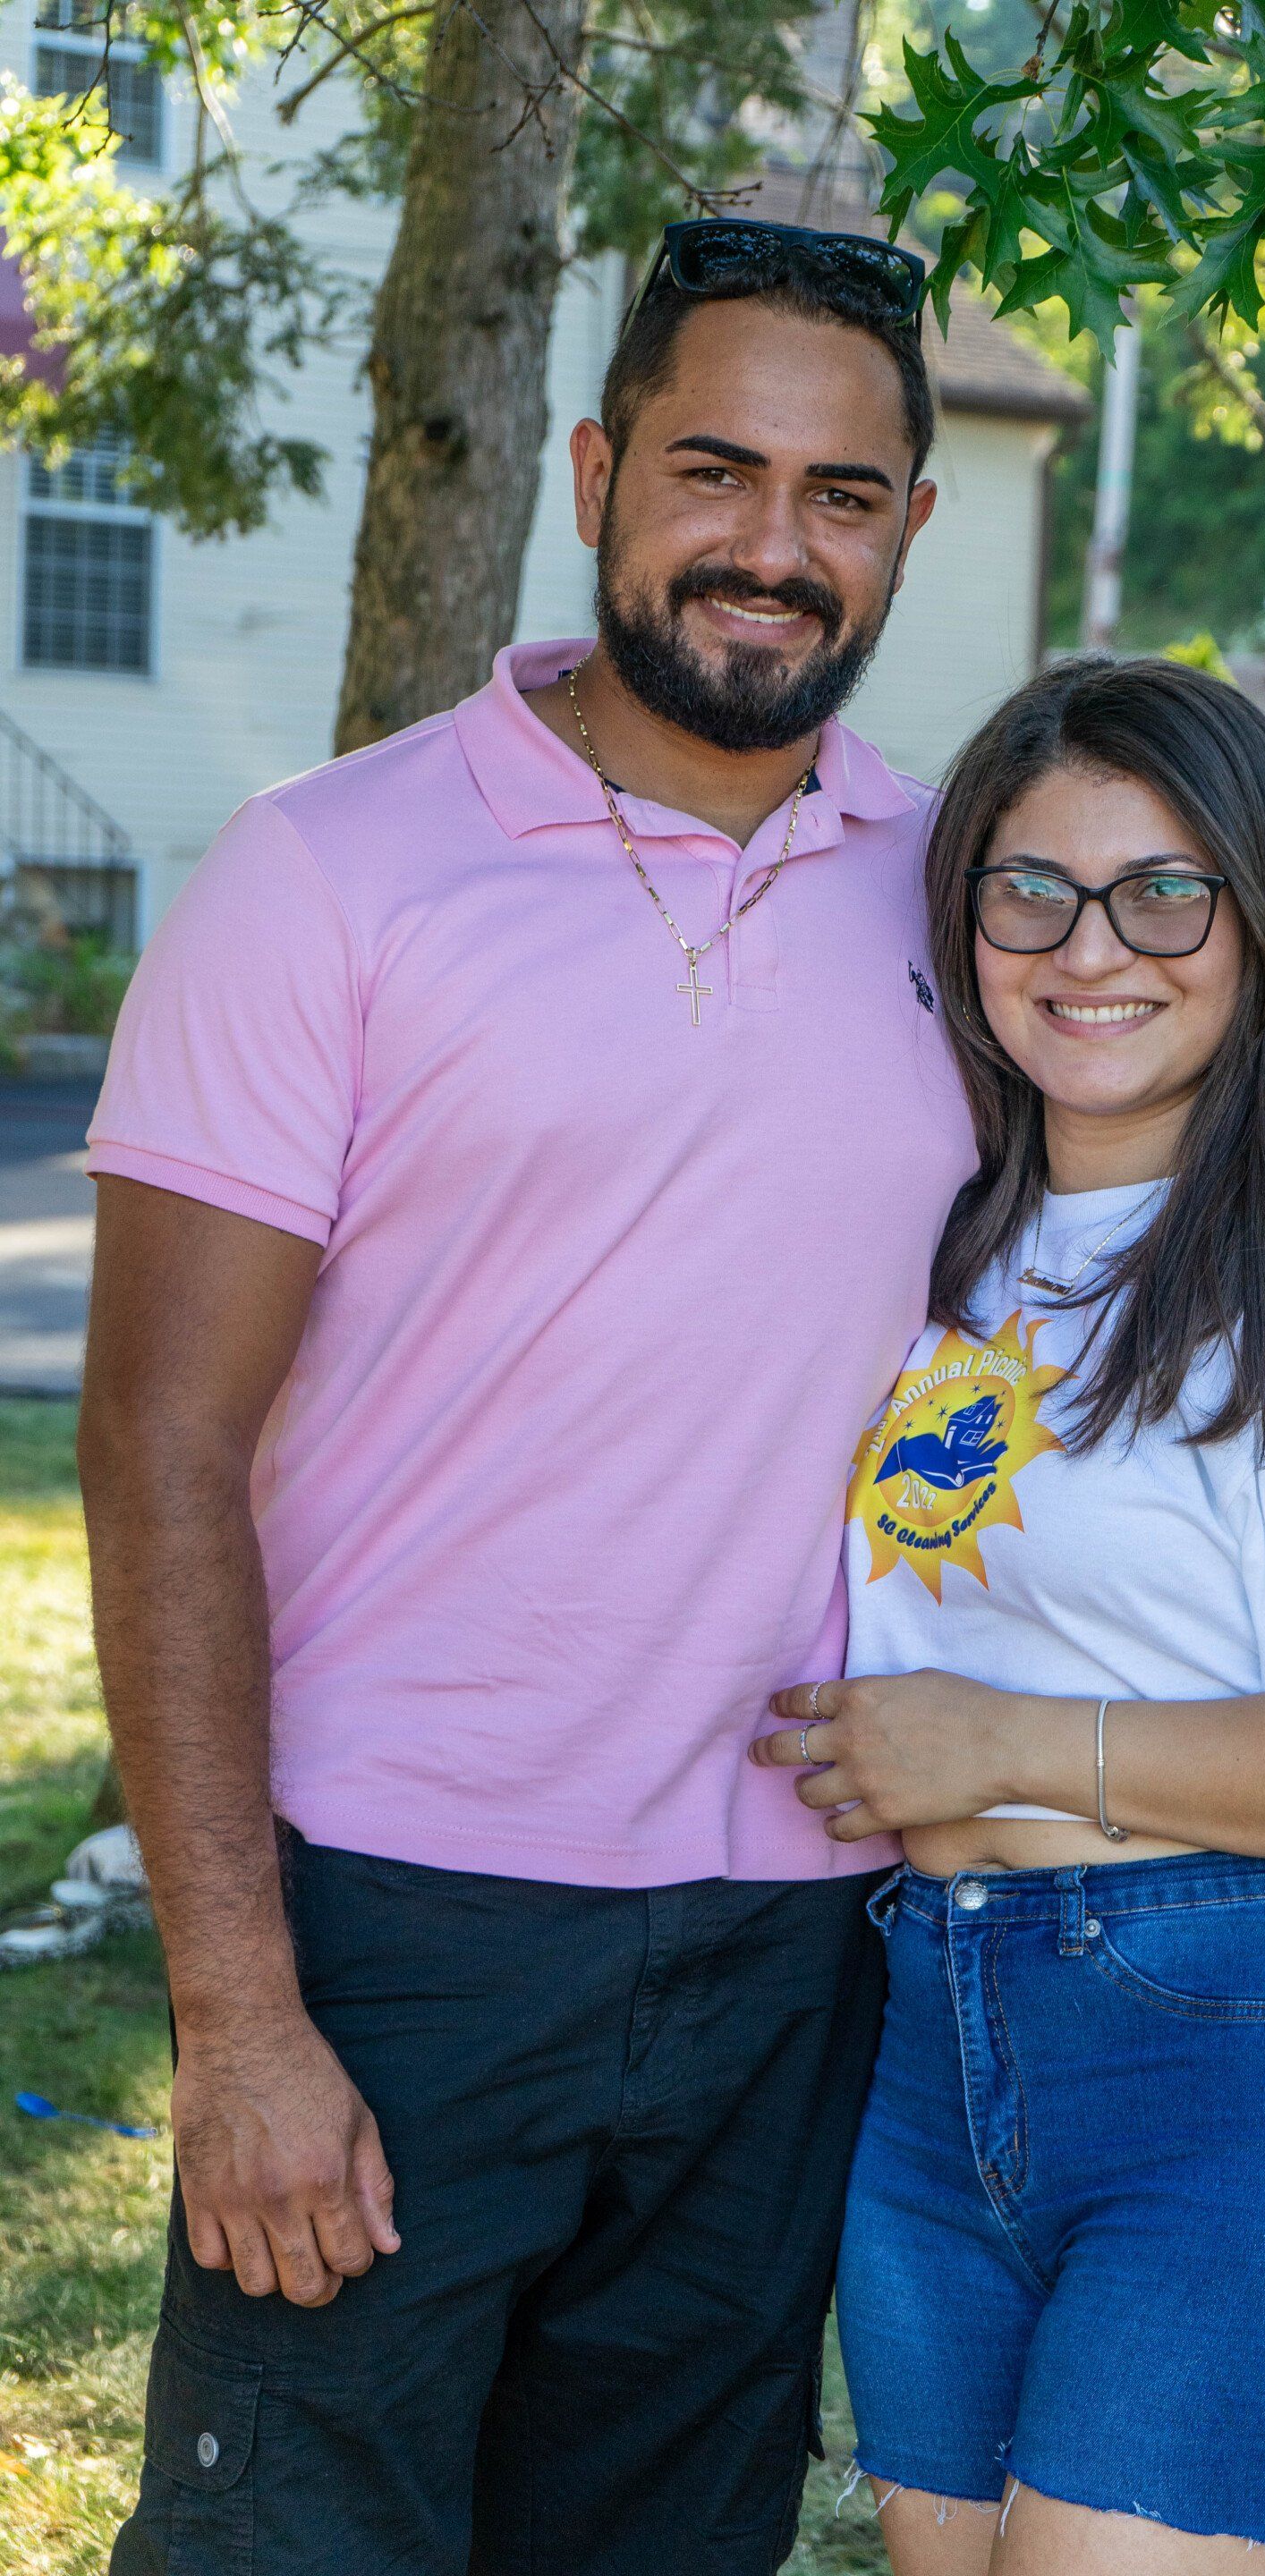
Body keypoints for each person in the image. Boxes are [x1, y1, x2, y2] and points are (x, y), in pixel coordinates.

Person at [81, 218, 973, 2576]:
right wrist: (239, 2013)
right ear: (598, 471)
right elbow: (162, 1448)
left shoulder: (966, 906)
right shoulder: (329, 876)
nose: (771, 546)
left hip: (800, 1938)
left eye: (842, 493)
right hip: (392, 1932)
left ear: (905, 524)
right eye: (714, 469)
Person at [753, 657, 1265, 2574]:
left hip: (1240, 2058)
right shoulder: (947, 1247)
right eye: (1033, 889)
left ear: (1261, 922)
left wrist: (1006, 1742)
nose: (1094, 946)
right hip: (935, 2051)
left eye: (1164, 890)